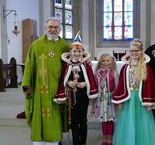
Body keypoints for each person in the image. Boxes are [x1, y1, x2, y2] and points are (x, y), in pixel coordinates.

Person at [21, 17, 70, 145]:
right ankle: (39, 142)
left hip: (58, 90)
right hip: (39, 90)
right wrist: (27, 88)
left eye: (55, 28)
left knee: (55, 116)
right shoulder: (36, 45)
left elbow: (72, 64)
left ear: (60, 30)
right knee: (40, 116)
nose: (53, 30)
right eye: (50, 27)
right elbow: (29, 67)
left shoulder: (65, 46)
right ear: (46, 29)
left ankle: (54, 141)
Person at [112, 38, 155, 145]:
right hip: (128, 100)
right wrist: (120, 101)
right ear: (129, 52)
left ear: (141, 51)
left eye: (136, 50)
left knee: (141, 123)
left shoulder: (146, 67)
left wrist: (149, 102)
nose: (134, 53)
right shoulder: (125, 67)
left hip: (141, 100)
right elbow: (121, 85)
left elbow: (150, 85)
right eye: (132, 51)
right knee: (128, 123)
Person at [54, 31, 98, 145]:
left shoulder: (86, 65)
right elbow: (63, 80)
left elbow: (91, 79)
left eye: (79, 51)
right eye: (74, 51)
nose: (77, 54)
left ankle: (82, 142)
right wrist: (68, 83)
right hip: (71, 97)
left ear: (83, 52)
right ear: (70, 52)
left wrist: (85, 84)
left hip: (83, 96)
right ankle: (75, 142)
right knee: (74, 121)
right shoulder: (67, 66)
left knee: (83, 120)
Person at [91, 53, 118, 145]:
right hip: (101, 100)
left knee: (110, 120)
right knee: (103, 120)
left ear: (112, 61)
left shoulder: (114, 72)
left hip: (110, 99)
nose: (105, 63)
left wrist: (112, 94)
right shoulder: (97, 73)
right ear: (100, 62)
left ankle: (110, 138)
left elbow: (117, 86)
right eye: (103, 61)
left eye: (108, 60)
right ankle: (104, 138)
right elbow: (94, 85)